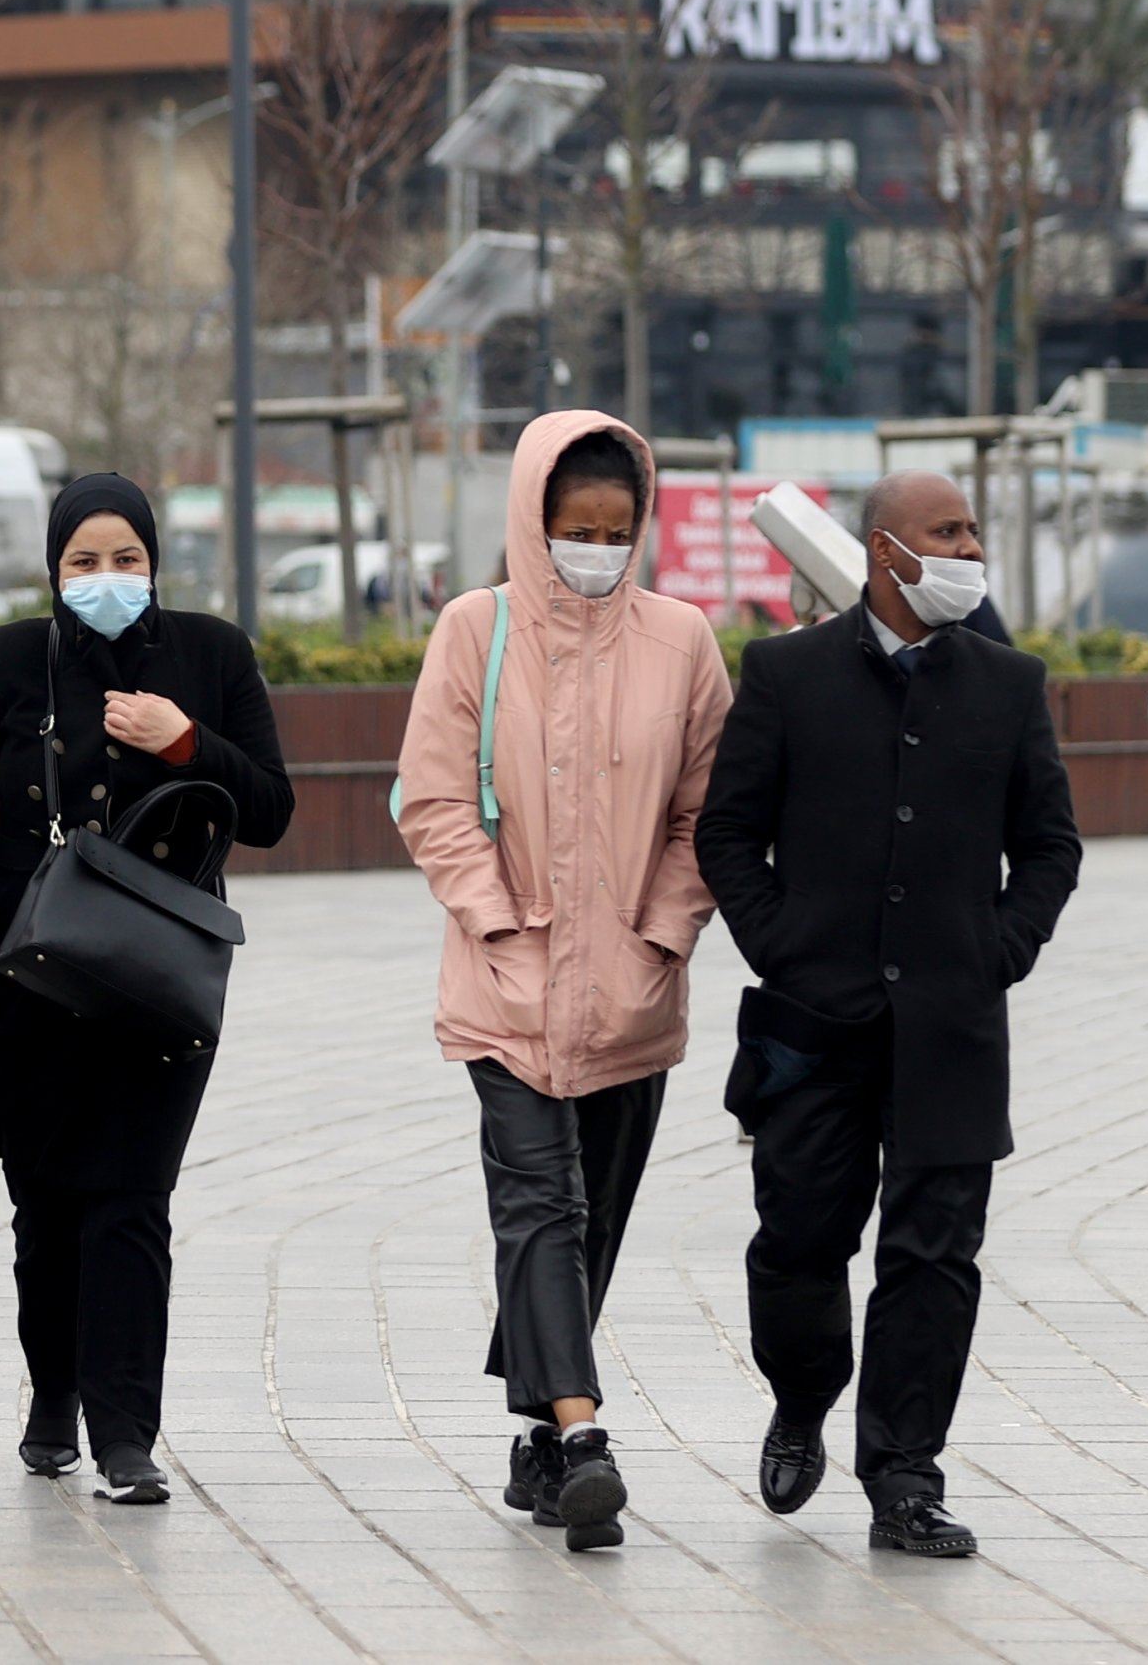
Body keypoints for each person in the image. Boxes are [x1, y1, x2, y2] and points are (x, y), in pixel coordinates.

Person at [696, 469, 1081, 1558]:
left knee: (934, 1256)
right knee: (800, 1239)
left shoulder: (1009, 683)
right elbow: (728, 834)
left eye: (972, 525)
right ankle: (803, 1390)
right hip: (813, 1024)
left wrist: (1000, 949)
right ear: (883, 549)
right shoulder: (785, 672)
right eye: (945, 529)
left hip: (954, 1029)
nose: (968, 545)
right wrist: (786, 946)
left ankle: (905, 1472)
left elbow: (1050, 844)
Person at [0, 473, 293, 1505]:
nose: (106, 577)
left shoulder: (211, 654)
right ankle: (52, 1389)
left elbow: (274, 811)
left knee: (131, 1199)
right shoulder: (11, 659)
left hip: (159, 975)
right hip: (33, 968)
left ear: (155, 563)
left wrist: (187, 741)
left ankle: (126, 1432)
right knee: (45, 1205)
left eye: (126, 558)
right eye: (84, 559)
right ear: (53, 568)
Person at [396, 413, 731, 1552]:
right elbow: (432, 798)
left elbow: (706, 814)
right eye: (574, 528)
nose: (595, 546)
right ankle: (586, 1438)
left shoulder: (683, 640)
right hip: (508, 984)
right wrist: (496, 920)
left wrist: (664, 931)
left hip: (635, 990)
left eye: (615, 529)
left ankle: (536, 1436)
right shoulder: (473, 629)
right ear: (532, 522)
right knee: (541, 1204)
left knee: (594, 1218)